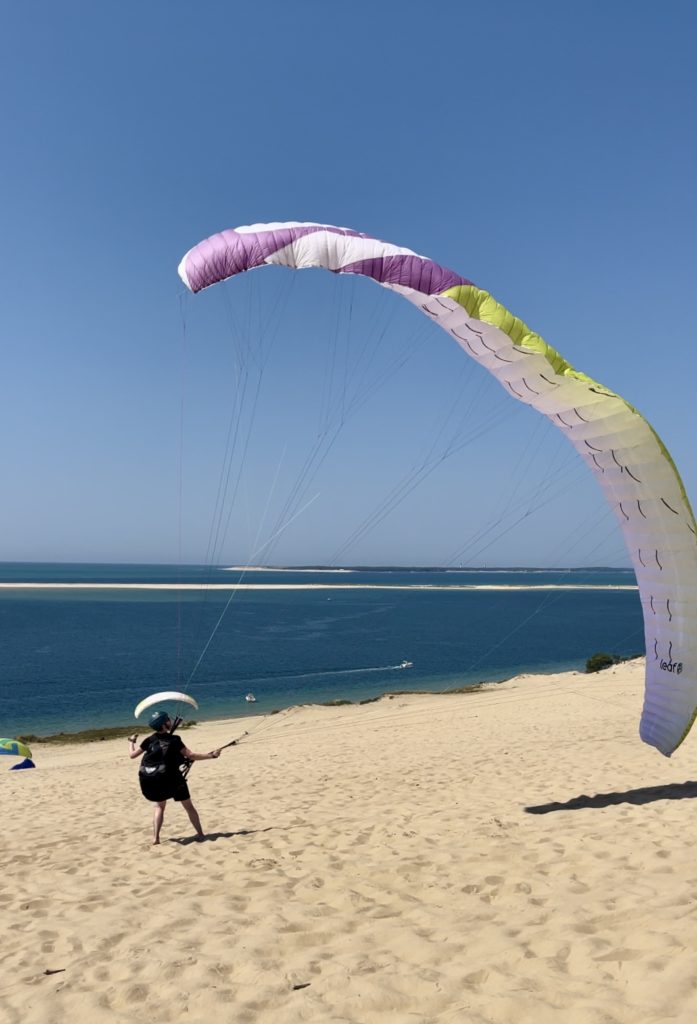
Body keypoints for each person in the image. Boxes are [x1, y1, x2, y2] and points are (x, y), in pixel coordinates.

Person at [129, 710, 220, 844]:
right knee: (188, 807)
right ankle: (200, 834)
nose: (170, 721)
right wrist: (211, 755)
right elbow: (191, 756)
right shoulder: (175, 739)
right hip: (173, 781)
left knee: (159, 807)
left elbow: (132, 755)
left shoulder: (149, 740)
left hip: (153, 781)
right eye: (167, 720)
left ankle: (156, 838)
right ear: (164, 724)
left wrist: (131, 742)